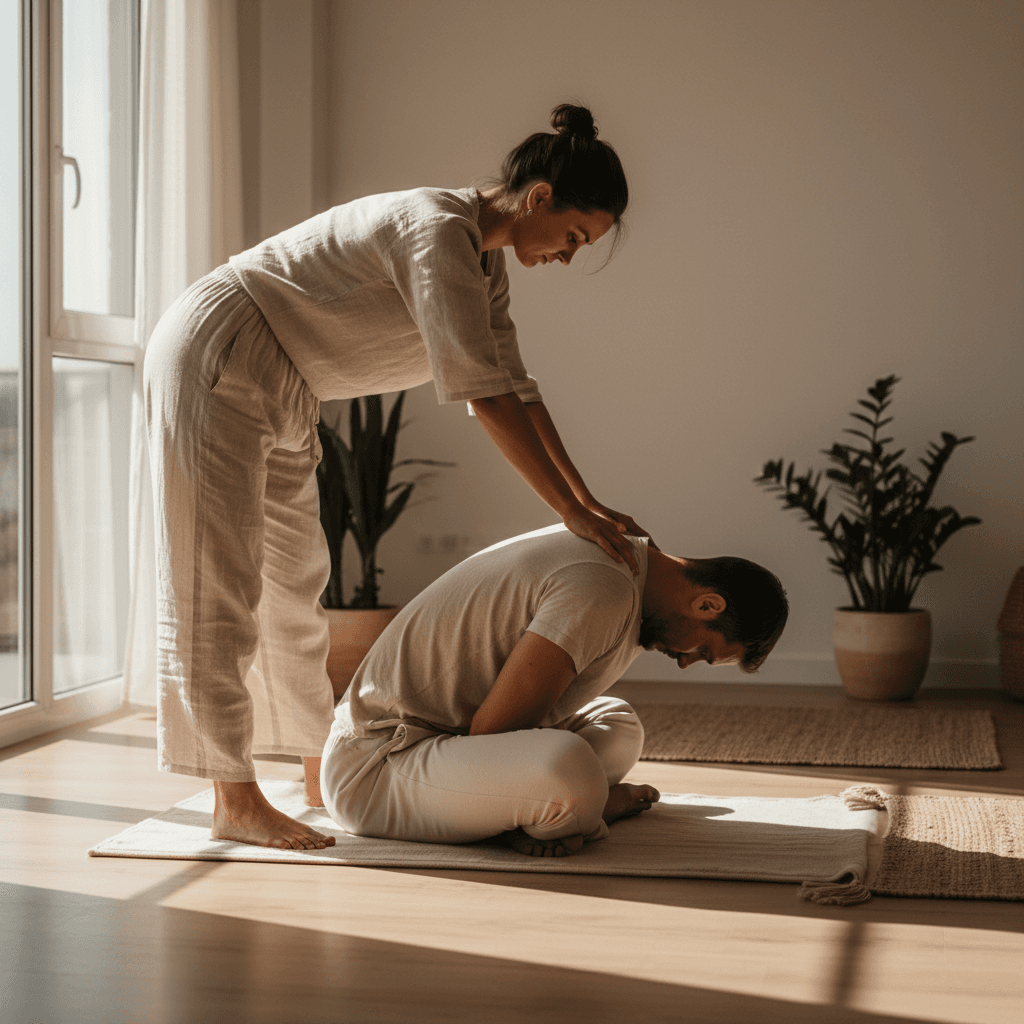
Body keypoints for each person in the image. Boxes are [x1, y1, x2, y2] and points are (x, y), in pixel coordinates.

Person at [144, 103, 652, 850]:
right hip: (220, 347)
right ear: (539, 198)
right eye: (575, 236)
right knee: (211, 580)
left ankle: (317, 768)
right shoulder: (436, 230)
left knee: (292, 584)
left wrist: (587, 503)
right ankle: (233, 797)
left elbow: (517, 387)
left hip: (287, 380)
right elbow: (483, 395)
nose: (570, 256)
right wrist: (572, 515)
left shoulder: (487, 264)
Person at [320, 525, 789, 857]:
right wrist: (590, 800)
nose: (686, 661)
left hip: (440, 742)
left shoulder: (630, 562)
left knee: (619, 724)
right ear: (707, 603)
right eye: (703, 651)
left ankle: (543, 812)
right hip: (376, 766)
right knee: (570, 773)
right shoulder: (604, 589)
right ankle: (574, 811)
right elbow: (492, 732)